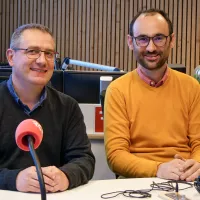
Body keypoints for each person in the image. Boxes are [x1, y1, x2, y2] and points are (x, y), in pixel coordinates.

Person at [104, 9, 200, 182]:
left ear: (171, 40)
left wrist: (196, 164)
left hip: (186, 179)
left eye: (158, 38)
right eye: (142, 39)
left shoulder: (191, 87)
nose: (151, 47)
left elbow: (199, 144)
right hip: (137, 183)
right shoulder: (117, 90)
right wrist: (158, 169)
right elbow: (116, 156)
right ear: (130, 42)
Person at [0, 24, 95, 192]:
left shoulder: (67, 106)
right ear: (11, 57)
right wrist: (13, 179)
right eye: (32, 51)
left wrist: (66, 176)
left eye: (49, 54)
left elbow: (84, 159)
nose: (42, 60)